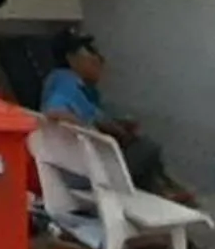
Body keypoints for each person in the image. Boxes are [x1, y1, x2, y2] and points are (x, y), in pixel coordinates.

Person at [40, 31, 193, 206]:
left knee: (138, 146)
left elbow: (93, 116)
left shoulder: (74, 85)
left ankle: (163, 191)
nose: (99, 59)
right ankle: (162, 193)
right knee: (148, 148)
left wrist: (114, 127)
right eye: (90, 52)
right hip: (85, 173)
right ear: (71, 58)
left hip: (78, 167)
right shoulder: (66, 83)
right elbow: (53, 112)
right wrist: (87, 129)